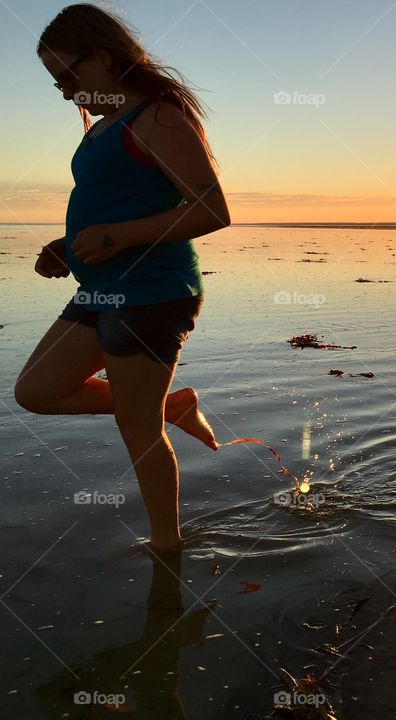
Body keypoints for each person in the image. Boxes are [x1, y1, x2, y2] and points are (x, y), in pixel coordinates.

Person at [14, 4, 231, 555]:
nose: (63, 90)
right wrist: (71, 246)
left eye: (68, 75)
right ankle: (172, 405)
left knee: (137, 428)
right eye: (54, 82)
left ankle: (167, 548)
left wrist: (120, 237)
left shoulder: (157, 118)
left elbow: (211, 209)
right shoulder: (103, 126)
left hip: (153, 294)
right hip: (101, 289)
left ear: (104, 58)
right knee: (35, 390)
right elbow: (115, 205)